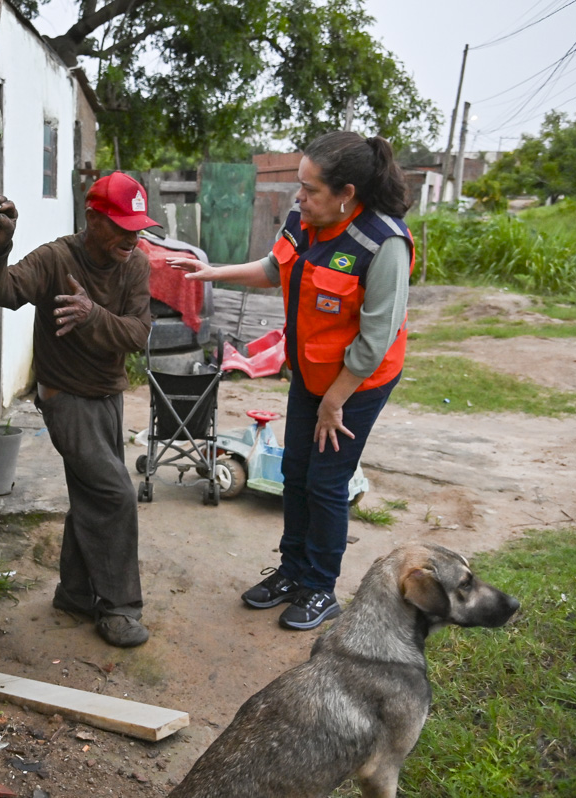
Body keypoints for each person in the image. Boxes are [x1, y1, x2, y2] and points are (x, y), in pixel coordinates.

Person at [168, 131, 415, 630]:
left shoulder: (383, 243)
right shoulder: (305, 220)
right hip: (310, 372)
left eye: (310, 188)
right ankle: (292, 571)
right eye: (299, 186)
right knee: (295, 472)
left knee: (325, 482)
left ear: (346, 193)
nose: (298, 197)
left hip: (357, 384)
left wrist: (334, 401)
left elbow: (375, 342)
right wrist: (211, 272)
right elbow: (273, 268)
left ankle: (320, 586)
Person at [0, 172, 156, 647]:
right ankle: (119, 608)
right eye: (122, 226)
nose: (132, 237)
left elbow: (138, 333)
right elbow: (4, 292)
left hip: (108, 396)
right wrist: (0, 246)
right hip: (66, 399)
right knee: (115, 495)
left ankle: (76, 594)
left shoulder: (135, 265)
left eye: (138, 227)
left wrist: (91, 315)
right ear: (93, 218)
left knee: (91, 495)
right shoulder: (55, 258)